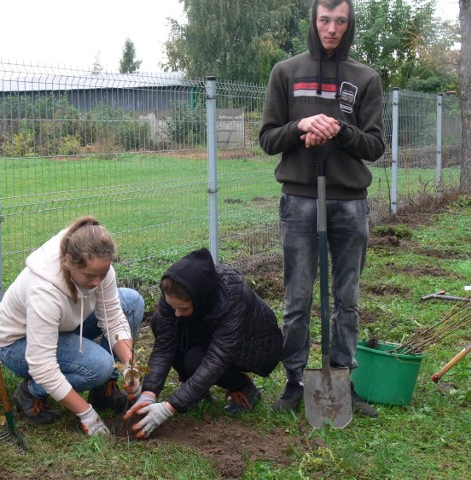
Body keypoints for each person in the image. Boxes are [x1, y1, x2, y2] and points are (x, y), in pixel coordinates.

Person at [258, 0, 385, 417]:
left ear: (349, 25)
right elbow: (269, 138)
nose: (332, 28)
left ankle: (342, 378)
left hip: (349, 202)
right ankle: (295, 381)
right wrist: (301, 126)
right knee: (297, 297)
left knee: (346, 298)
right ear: (314, 22)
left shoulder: (365, 78)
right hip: (299, 200)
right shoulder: (285, 72)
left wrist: (340, 131)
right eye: (325, 20)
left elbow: (375, 146)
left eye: (340, 21)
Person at [0, 216, 145, 436]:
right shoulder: (44, 291)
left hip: (64, 323)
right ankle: (30, 392)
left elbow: (113, 318)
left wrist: (130, 366)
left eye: (103, 274)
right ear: (68, 263)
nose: (97, 283)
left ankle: (104, 390)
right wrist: (86, 414)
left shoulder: (98, 267)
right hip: (17, 344)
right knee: (99, 366)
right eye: (90, 276)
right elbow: (42, 366)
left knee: (132, 303)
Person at [124, 248, 283, 439]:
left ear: (199, 299)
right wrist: (149, 393)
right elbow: (165, 345)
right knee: (161, 321)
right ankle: (195, 390)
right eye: (173, 306)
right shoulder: (174, 288)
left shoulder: (232, 299)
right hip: (210, 330)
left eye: (182, 308)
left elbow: (216, 359)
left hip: (252, 345)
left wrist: (170, 407)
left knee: (196, 360)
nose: (176, 312)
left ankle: (243, 388)